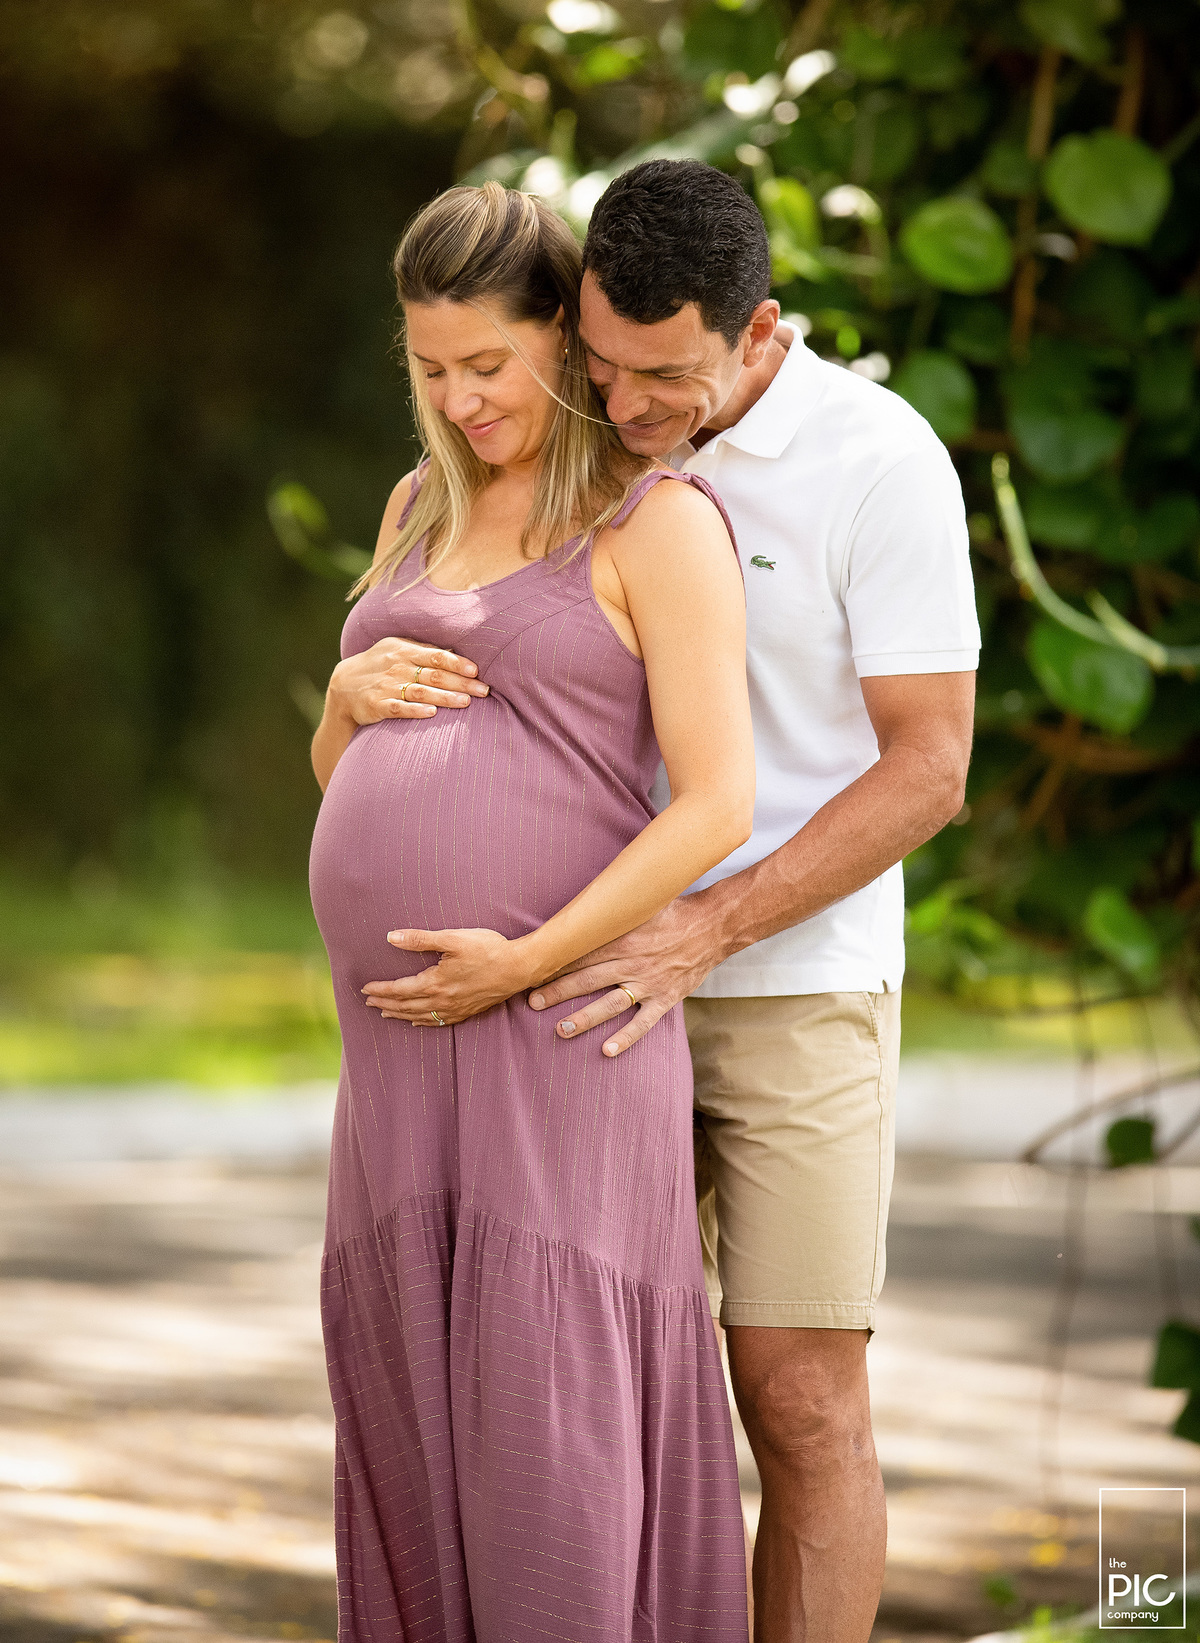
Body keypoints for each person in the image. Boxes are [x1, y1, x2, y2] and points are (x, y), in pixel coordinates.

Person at [355, 160, 980, 1642]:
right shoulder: (570, 449)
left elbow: (931, 769)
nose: (628, 406)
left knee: (798, 1392)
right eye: (605, 365)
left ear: (757, 334)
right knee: (558, 1375)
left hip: (788, 980)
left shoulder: (876, 463)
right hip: (578, 995)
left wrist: (708, 925)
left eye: (666, 379)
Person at [307, 179, 757, 1642]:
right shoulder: (413, 503)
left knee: (546, 1412)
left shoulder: (656, 519)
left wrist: (526, 960)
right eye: (429, 367)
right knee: (418, 1395)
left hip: (557, 1028)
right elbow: (343, 778)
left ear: (562, 338)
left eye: (487, 364)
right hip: (394, 1057)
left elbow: (716, 804)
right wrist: (340, 698)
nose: (460, 395)